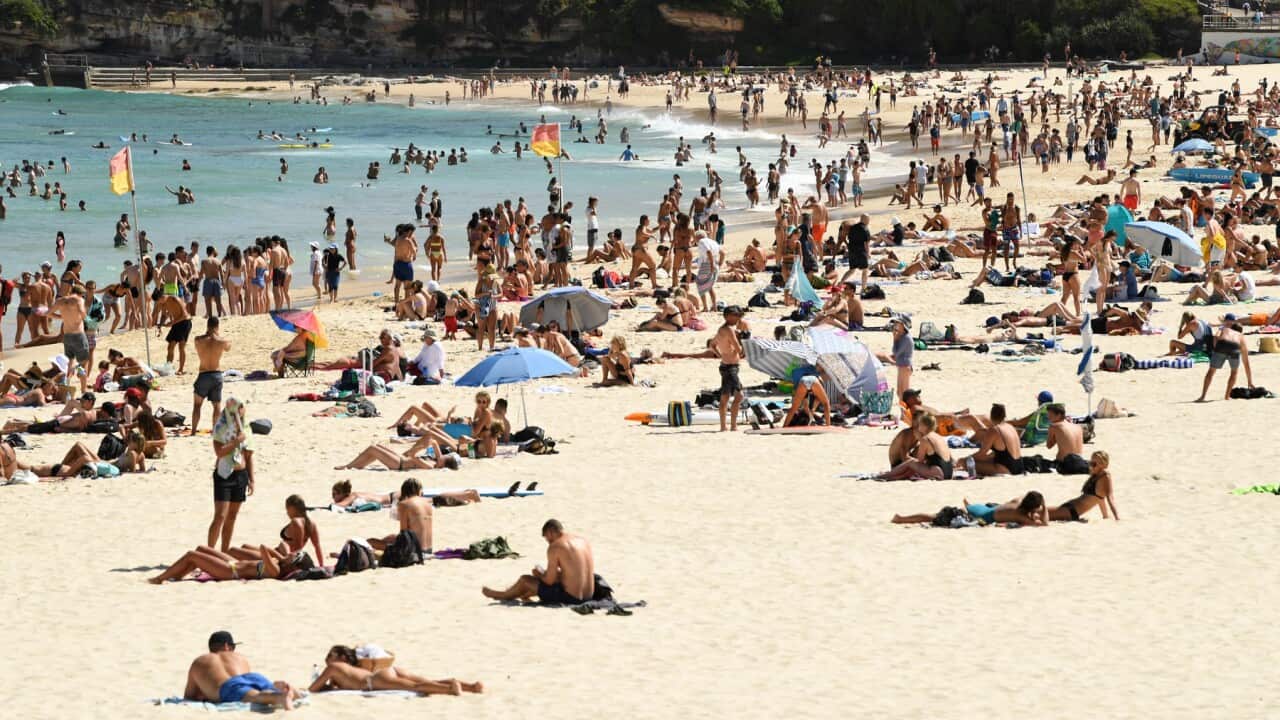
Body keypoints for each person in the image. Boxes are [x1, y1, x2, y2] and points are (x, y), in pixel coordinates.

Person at [482, 519, 595, 604]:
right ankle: (522, 594)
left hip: (571, 598)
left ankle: (502, 595)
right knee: (545, 580)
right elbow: (574, 573)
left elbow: (549, 581)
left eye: (546, 538)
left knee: (525, 580)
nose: (548, 542)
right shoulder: (582, 540)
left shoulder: (556, 546)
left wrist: (539, 575)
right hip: (589, 595)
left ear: (550, 532)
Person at [179, 632, 300, 709]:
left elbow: (189, 696)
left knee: (256, 696)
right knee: (261, 690)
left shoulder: (199, 662)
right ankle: (283, 689)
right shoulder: (239, 657)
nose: (232, 650)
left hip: (230, 685)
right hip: (253, 676)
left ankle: (279, 696)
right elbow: (246, 681)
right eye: (232, 647)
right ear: (227, 646)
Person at [309, 645, 482, 696]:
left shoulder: (332, 667)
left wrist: (325, 682)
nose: (326, 660)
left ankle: (450, 688)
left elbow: (313, 689)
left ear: (342, 657)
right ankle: (471, 686)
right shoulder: (348, 668)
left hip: (375, 681)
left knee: (416, 687)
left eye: (329, 656)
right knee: (424, 681)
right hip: (385, 672)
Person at [209, 398, 253, 552]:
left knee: (231, 517)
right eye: (239, 409)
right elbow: (219, 452)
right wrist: (235, 442)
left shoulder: (245, 427)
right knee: (220, 516)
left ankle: (224, 551)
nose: (242, 412)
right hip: (224, 474)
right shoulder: (221, 427)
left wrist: (251, 479)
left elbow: (248, 454)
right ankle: (210, 551)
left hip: (240, 475)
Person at [150, 545, 310, 585]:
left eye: (294, 556)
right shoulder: (278, 564)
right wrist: (284, 556)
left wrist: (281, 556)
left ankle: (159, 578)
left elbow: (263, 548)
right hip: (233, 564)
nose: (291, 553)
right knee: (201, 549)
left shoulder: (275, 570)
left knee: (192, 555)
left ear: (294, 565)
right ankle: (177, 575)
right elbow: (279, 545)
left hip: (230, 571)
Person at [892, 492, 1047, 526]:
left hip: (982, 508)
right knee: (934, 517)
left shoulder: (1016, 503)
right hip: (981, 516)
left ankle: (968, 506)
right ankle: (901, 519)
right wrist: (1044, 505)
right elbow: (1043, 524)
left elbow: (1020, 496)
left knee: (970, 508)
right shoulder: (1020, 515)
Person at [878, 412, 954, 480]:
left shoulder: (925, 439)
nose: (918, 427)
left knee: (910, 463)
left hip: (938, 472)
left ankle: (884, 476)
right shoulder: (939, 437)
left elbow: (919, 461)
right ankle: (892, 475)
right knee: (912, 464)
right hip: (949, 472)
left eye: (920, 424)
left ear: (924, 426)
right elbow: (951, 459)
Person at [1050, 451, 1120, 521]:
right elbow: (1100, 498)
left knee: (1042, 513)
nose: (1090, 466)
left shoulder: (1105, 476)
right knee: (1042, 511)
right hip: (1070, 507)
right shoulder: (1095, 476)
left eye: (1093, 464)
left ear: (1103, 465)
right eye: (1090, 463)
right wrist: (1105, 516)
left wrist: (1117, 518)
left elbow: (1110, 498)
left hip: (1072, 511)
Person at [1197, 318, 1254, 402]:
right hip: (1234, 347)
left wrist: (1216, 348)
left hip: (1222, 344)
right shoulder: (1240, 336)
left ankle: (1203, 396)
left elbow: (1216, 336)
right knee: (1234, 372)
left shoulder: (1225, 329)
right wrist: (1249, 382)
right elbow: (1246, 363)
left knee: (1211, 372)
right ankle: (1227, 396)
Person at [191, 316, 228, 435]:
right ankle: (215, 431)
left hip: (203, 374)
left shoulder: (198, 340)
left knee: (197, 405)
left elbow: (199, 341)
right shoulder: (222, 341)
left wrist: (209, 334)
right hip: (216, 374)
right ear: (217, 326)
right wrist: (217, 335)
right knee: (216, 405)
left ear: (207, 326)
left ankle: (193, 431)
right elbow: (228, 347)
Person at [963, 403, 1024, 476]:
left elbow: (981, 454)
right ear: (1004, 416)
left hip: (1005, 469)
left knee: (965, 463)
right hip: (1019, 466)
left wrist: (964, 459)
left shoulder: (995, 430)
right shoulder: (1011, 427)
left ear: (991, 416)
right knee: (984, 459)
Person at [712, 306, 746, 431]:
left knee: (725, 397)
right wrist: (741, 339)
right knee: (739, 396)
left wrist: (721, 354)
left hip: (724, 365)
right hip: (731, 367)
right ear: (728, 316)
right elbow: (739, 350)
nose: (738, 318)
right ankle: (733, 426)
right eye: (736, 315)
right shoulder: (730, 330)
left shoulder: (721, 330)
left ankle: (723, 426)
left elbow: (712, 344)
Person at [1045, 403, 1088, 474]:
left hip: (1065, 464)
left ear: (1058, 415)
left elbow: (1049, 446)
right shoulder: (1077, 427)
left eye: (1050, 415)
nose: (1048, 417)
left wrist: (1056, 436)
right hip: (1080, 462)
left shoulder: (1054, 427)